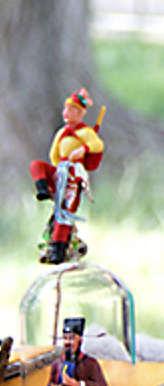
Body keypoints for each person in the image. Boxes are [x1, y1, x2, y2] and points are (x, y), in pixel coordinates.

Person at [30, 88, 105, 265]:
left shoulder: (86, 133)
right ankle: (42, 189)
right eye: (66, 109)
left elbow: (97, 144)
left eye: (71, 110)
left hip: (73, 176)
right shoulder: (62, 133)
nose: (66, 113)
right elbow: (54, 155)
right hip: (61, 171)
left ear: (80, 113)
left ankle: (59, 249)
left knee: (63, 214)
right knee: (37, 165)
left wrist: (83, 150)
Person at [44, 317, 107, 386]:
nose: (68, 342)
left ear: (80, 340)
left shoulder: (90, 363)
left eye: (72, 338)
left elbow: (101, 385)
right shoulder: (57, 364)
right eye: (65, 338)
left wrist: (78, 385)